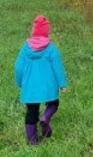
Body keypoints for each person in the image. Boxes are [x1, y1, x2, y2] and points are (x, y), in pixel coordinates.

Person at [15, 15, 68, 145]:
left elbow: (18, 67)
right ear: (46, 32)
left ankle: (33, 142)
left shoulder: (25, 48)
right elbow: (58, 68)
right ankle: (45, 117)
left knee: (31, 112)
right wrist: (62, 84)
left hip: (30, 87)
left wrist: (20, 82)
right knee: (53, 103)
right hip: (48, 86)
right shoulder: (51, 48)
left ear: (33, 32)